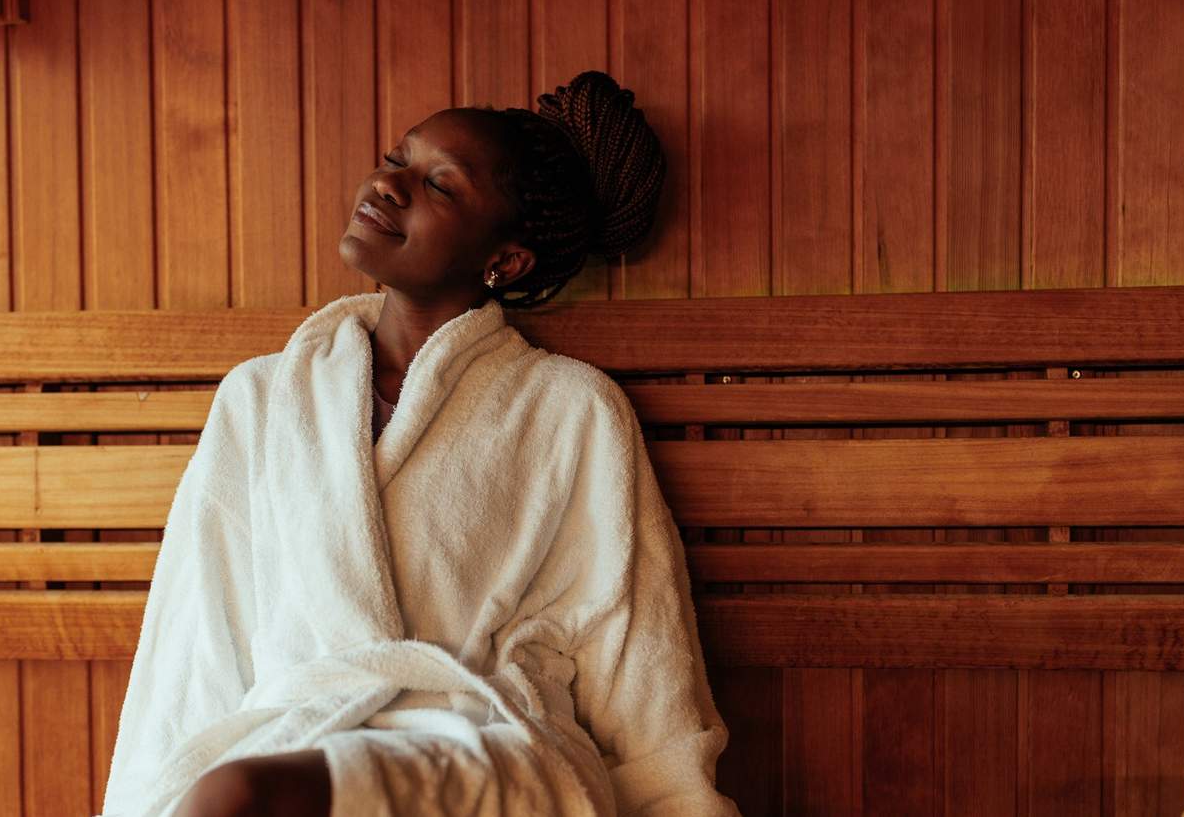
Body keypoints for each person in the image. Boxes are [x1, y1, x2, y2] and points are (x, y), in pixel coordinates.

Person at [100, 71, 739, 817]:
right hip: (301, 736)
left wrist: (676, 803)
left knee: (239, 793)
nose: (387, 184)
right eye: (395, 158)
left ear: (506, 260)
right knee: (225, 790)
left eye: (439, 185)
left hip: (486, 748)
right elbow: (197, 634)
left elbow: (632, 642)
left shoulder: (571, 407)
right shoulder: (263, 397)